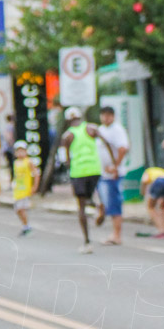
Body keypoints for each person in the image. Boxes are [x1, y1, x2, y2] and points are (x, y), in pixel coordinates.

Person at [61, 106, 103, 254]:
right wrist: (115, 163)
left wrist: (69, 166)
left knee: (81, 207)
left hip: (78, 172)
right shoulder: (91, 128)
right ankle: (98, 205)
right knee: (90, 197)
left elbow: (66, 159)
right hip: (94, 169)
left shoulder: (67, 136)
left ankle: (86, 241)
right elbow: (107, 143)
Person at [96, 106, 130, 245]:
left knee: (114, 202)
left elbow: (123, 148)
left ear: (113, 116)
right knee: (105, 200)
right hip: (102, 173)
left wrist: (115, 167)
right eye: (104, 115)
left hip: (113, 174)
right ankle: (102, 212)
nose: (106, 118)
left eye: (109, 115)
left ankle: (117, 235)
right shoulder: (101, 130)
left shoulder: (117, 130)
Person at [138, 166, 164, 238]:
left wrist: (142, 193)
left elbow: (144, 181)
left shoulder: (148, 171)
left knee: (150, 207)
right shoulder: (163, 171)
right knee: (162, 207)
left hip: (160, 181)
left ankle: (161, 230)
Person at [12, 141, 39, 236]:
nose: (20, 153)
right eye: (18, 151)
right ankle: (25, 225)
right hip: (18, 190)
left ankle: (26, 225)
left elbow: (36, 174)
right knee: (17, 209)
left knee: (21, 208)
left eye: (22, 150)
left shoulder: (28, 162)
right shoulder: (16, 163)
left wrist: (34, 186)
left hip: (25, 189)